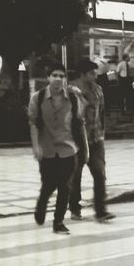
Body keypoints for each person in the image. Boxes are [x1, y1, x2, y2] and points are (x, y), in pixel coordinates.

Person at [28, 62, 85, 235]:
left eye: (62, 76)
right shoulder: (37, 98)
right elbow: (33, 123)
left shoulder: (73, 99)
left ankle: (58, 221)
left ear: (65, 79)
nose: (58, 79)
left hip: (68, 148)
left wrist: (85, 149)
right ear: (48, 77)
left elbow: (80, 121)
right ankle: (42, 203)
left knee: (65, 186)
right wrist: (36, 146)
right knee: (48, 184)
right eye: (55, 75)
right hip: (47, 149)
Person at [70, 61, 115, 223]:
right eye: (91, 73)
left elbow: (102, 112)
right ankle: (75, 207)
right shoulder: (72, 91)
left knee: (99, 173)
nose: (95, 76)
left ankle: (101, 210)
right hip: (77, 140)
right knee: (75, 176)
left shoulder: (98, 90)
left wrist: (102, 132)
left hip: (96, 139)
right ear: (82, 75)